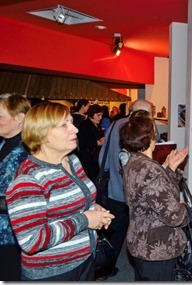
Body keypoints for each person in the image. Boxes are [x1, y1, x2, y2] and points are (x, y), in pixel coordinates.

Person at [6, 102, 115, 281]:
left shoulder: (72, 161)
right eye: (64, 125)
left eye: (71, 122)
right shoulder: (29, 179)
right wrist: (85, 219)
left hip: (85, 259)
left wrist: (93, 208)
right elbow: (31, 240)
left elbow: (75, 201)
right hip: (53, 272)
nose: (75, 130)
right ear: (41, 134)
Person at [120, 115, 189, 281]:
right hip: (157, 249)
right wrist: (184, 208)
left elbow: (154, 195)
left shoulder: (133, 162)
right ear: (152, 137)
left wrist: (170, 169)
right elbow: (173, 217)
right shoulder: (150, 169)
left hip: (141, 242)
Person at [97, 99, 154, 280]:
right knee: (122, 230)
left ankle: (104, 265)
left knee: (111, 229)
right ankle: (106, 268)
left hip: (111, 187)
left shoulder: (115, 124)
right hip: (125, 191)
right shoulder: (137, 130)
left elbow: (102, 156)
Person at [0, 93, 31, 281]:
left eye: (0, 116)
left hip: (12, 237)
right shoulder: (3, 142)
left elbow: (24, 200)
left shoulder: (28, 151)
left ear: (19, 118)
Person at [77, 104, 105, 183]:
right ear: (92, 114)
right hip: (88, 159)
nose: (100, 118)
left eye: (101, 115)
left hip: (95, 158)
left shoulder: (96, 125)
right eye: (98, 115)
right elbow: (83, 142)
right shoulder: (85, 125)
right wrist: (98, 142)